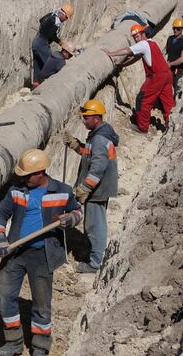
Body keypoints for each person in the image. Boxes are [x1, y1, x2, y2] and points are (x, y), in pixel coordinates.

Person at [0, 149, 82, 356]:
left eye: (26, 175)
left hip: (42, 255)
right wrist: (0, 238)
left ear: (40, 173)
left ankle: (40, 347)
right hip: (14, 252)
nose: (22, 179)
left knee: (41, 304)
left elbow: (77, 211)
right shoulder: (16, 190)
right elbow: (1, 215)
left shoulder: (62, 191)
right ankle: (13, 343)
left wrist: (71, 219)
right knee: (6, 298)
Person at [62, 99, 119, 274]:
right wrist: (75, 145)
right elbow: (89, 154)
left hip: (98, 190)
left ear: (96, 118)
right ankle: (96, 254)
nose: (84, 121)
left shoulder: (100, 139)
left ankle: (95, 263)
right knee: (94, 224)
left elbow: (97, 169)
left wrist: (85, 188)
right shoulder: (98, 134)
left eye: (86, 118)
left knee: (94, 226)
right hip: (98, 188)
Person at [104, 24, 175, 133]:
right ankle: (171, 126)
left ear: (143, 34)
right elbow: (135, 57)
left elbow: (128, 51)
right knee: (168, 102)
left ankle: (142, 128)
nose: (136, 39)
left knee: (143, 100)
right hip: (167, 75)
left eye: (137, 36)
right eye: (134, 37)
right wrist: (123, 65)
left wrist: (111, 53)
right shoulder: (152, 43)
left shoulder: (143, 44)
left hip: (156, 77)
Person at [32, 4, 74, 88]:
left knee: (39, 64)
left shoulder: (50, 15)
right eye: (66, 18)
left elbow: (41, 20)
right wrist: (60, 42)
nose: (65, 20)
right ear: (62, 13)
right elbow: (51, 35)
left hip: (36, 42)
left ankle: (36, 84)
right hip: (41, 44)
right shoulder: (54, 20)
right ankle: (51, 86)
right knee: (53, 62)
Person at [166, 18, 183, 101]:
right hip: (168, 69)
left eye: (178, 29)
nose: (175, 30)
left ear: (182, 29)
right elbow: (165, 51)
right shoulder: (170, 39)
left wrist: (171, 64)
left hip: (178, 70)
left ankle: (174, 108)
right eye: (174, 28)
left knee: (177, 89)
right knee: (166, 87)